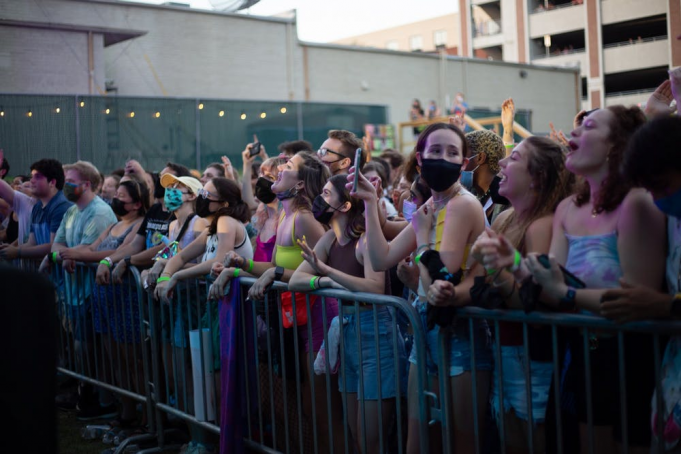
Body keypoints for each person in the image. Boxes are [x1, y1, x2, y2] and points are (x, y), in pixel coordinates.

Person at [480, 106, 665, 453]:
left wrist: (564, 292)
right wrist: (515, 261)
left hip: (628, 361)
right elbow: (551, 285)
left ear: (616, 145)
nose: (574, 133)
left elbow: (636, 303)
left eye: (590, 126)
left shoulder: (635, 203)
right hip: (579, 357)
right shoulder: (568, 208)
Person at [349, 122, 491, 453]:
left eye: (453, 152)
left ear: (465, 163)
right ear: (420, 158)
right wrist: (371, 203)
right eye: (436, 151)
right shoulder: (432, 208)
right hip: (424, 332)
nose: (444, 158)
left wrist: (424, 235)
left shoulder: (462, 205)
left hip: (460, 336)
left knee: (460, 442)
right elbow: (380, 257)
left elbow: (441, 279)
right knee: (418, 441)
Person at [469, 136, 574, 454]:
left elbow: (531, 300)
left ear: (537, 177)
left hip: (532, 356)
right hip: (504, 349)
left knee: (530, 441)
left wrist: (497, 269)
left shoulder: (541, 225)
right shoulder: (504, 218)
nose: (500, 163)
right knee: (509, 440)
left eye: (513, 159)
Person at [289, 174, 407, 453]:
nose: (319, 198)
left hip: (376, 335)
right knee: (357, 435)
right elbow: (296, 280)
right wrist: (325, 282)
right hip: (348, 334)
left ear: (343, 207)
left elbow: (375, 289)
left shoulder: (364, 240)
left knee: (371, 439)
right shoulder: (329, 239)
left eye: (327, 194)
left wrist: (328, 272)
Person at [606, 116, 681, 451]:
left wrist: (665, 306)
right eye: (648, 190)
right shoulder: (673, 220)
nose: (656, 199)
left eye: (662, 186)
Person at [95, 162, 191, 285]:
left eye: (167, 179)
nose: (161, 181)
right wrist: (107, 261)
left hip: (168, 283)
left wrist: (128, 261)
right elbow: (135, 245)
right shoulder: (154, 210)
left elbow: (164, 247)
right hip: (147, 281)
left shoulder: (179, 215)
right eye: (161, 177)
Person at [0, 157, 71, 261]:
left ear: (52, 182)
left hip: (57, 275)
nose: (32, 181)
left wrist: (18, 252)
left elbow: (54, 246)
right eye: (31, 176)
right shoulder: (37, 207)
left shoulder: (61, 207)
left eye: (37, 177)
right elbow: (32, 243)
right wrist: (11, 249)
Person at [463, 129, 508, 224]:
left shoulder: (506, 199)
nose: (459, 164)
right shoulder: (472, 196)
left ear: (480, 158)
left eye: (463, 157)